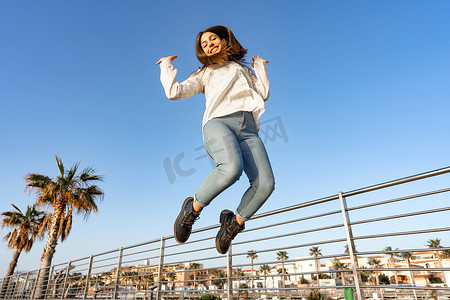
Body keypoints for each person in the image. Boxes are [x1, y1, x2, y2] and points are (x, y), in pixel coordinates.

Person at [156, 25, 275, 254]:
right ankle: (191, 210)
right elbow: (174, 92)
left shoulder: (243, 70)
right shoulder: (205, 73)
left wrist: (259, 66)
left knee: (265, 184)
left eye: (212, 39)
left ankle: (232, 225)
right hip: (218, 123)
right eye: (204, 44)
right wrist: (167, 67)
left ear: (223, 40)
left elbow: (264, 93)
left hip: (249, 128)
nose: (209, 44)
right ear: (203, 52)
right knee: (231, 169)